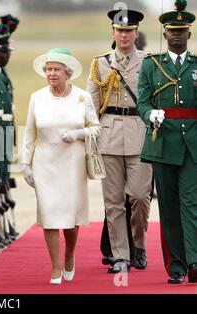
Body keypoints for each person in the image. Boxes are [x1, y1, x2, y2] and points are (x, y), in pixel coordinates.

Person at [21, 48, 101, 284]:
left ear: (67, 73)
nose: (51, 73)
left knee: (71, 218)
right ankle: (56, 267)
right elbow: (29, 134)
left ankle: (69, 255)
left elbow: (96, 127)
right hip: (45, 162)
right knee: (49, 215)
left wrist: (79, 133)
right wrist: (25, 163)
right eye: (48, 69)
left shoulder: (82, 97)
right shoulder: (37, 97)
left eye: (56, 69)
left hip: (73, 163)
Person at [86, 9, 153, 273]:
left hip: (140, 134)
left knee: (139, 197)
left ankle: (140, 245)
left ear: (136, 34)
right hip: (109, 135)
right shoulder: (99, 64)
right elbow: (92, 106)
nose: (124, 35)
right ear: (113, 33)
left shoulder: (149, 62)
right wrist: (92, 138)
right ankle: (120, 256)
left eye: (129, 31)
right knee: (113, 201)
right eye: (120, 30)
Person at [137, 1, 197, 284]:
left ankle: (195, 261)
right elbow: (143, 102)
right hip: (162, 145)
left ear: (189, 34)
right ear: (164, 34)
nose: (177, 35)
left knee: (191, 203)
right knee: (169, 207)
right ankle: (176, 267)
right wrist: (151, 116)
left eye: (182, 31)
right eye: (172, 31)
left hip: (192, 147)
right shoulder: (151, 65)